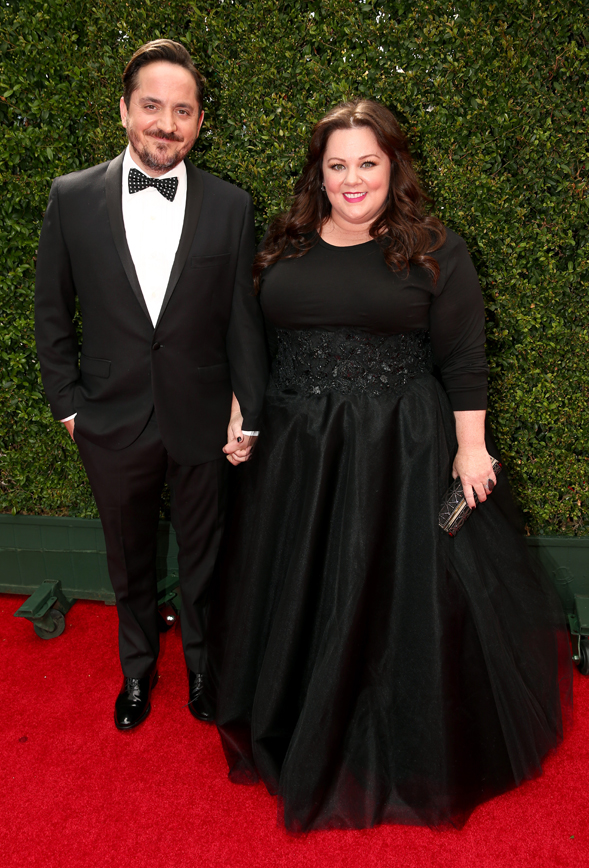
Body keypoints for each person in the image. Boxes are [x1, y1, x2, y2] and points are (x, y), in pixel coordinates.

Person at [209, 99, 572, 831]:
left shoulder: (436, 248)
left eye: (367, 163)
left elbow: (463, 357)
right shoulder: (282, 245)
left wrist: (471, 448)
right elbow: (251, 341)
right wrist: (242, 407)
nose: (352, 179)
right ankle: (304, 720)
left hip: (400, 449)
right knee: (305, 588)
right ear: (317, 173)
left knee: (396, 594)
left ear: (392, 167)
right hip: (298, 454)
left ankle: (397, 736)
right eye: (337, 164)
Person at [34, 40, 268, 731]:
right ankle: (137, 669)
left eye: (182, 111)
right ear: (124, 110)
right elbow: (51, 312)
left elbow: (243, 320)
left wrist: (250, 409)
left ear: (199, 121)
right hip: (109, 418)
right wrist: (68, 406)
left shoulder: (231, 205)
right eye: (152, 106)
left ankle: (201, 665)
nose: (166, 124)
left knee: (204, 556)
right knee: (128, 558)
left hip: (203, 414)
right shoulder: (72, 197)